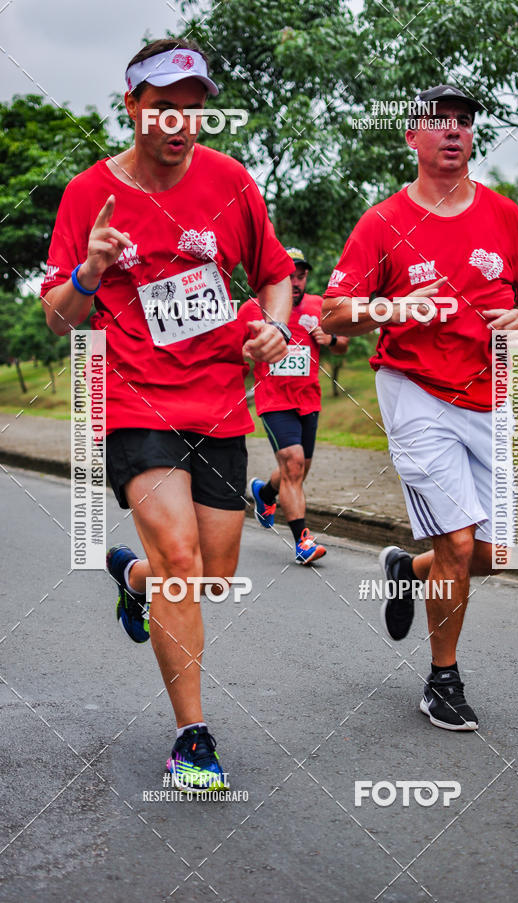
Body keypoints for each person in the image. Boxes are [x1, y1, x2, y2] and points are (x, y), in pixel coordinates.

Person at [42, 38, 295, 788]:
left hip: (218, 402)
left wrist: (276, 326)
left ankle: (135, 577)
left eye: (192, 110)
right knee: (184, 558)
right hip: (133, 399)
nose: (180, 124)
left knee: (211, 575)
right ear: (133, 108)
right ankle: (193, 735)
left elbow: (276, 276)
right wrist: (89, 271)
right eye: (162, 109)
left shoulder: (231, 182)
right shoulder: (90, 193)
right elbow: (60, 318)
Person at [322, 85, 518, 731]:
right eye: (438, 121)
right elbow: (337, 312)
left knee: (493, 553)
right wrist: (394, 306)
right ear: (412, 137)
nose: (453, 131)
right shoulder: (382, 222)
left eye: (464, 122)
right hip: (417, 389)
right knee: (457, 537)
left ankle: (408, 568)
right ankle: (442, 679)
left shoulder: (505, 216)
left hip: (493, 395)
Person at [239, 248, 348, 563]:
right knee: (293, 463)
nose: (296, 282)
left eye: (300, 276)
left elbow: (343, 345)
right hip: (273, 400)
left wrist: (330, 340)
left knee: (298, 470)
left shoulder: (319, 306)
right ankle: (303, 541)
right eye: (289, 276)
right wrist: (248, 352)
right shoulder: (252, 310)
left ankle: (265, 492)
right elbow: (234, 355)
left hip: (308, 399)